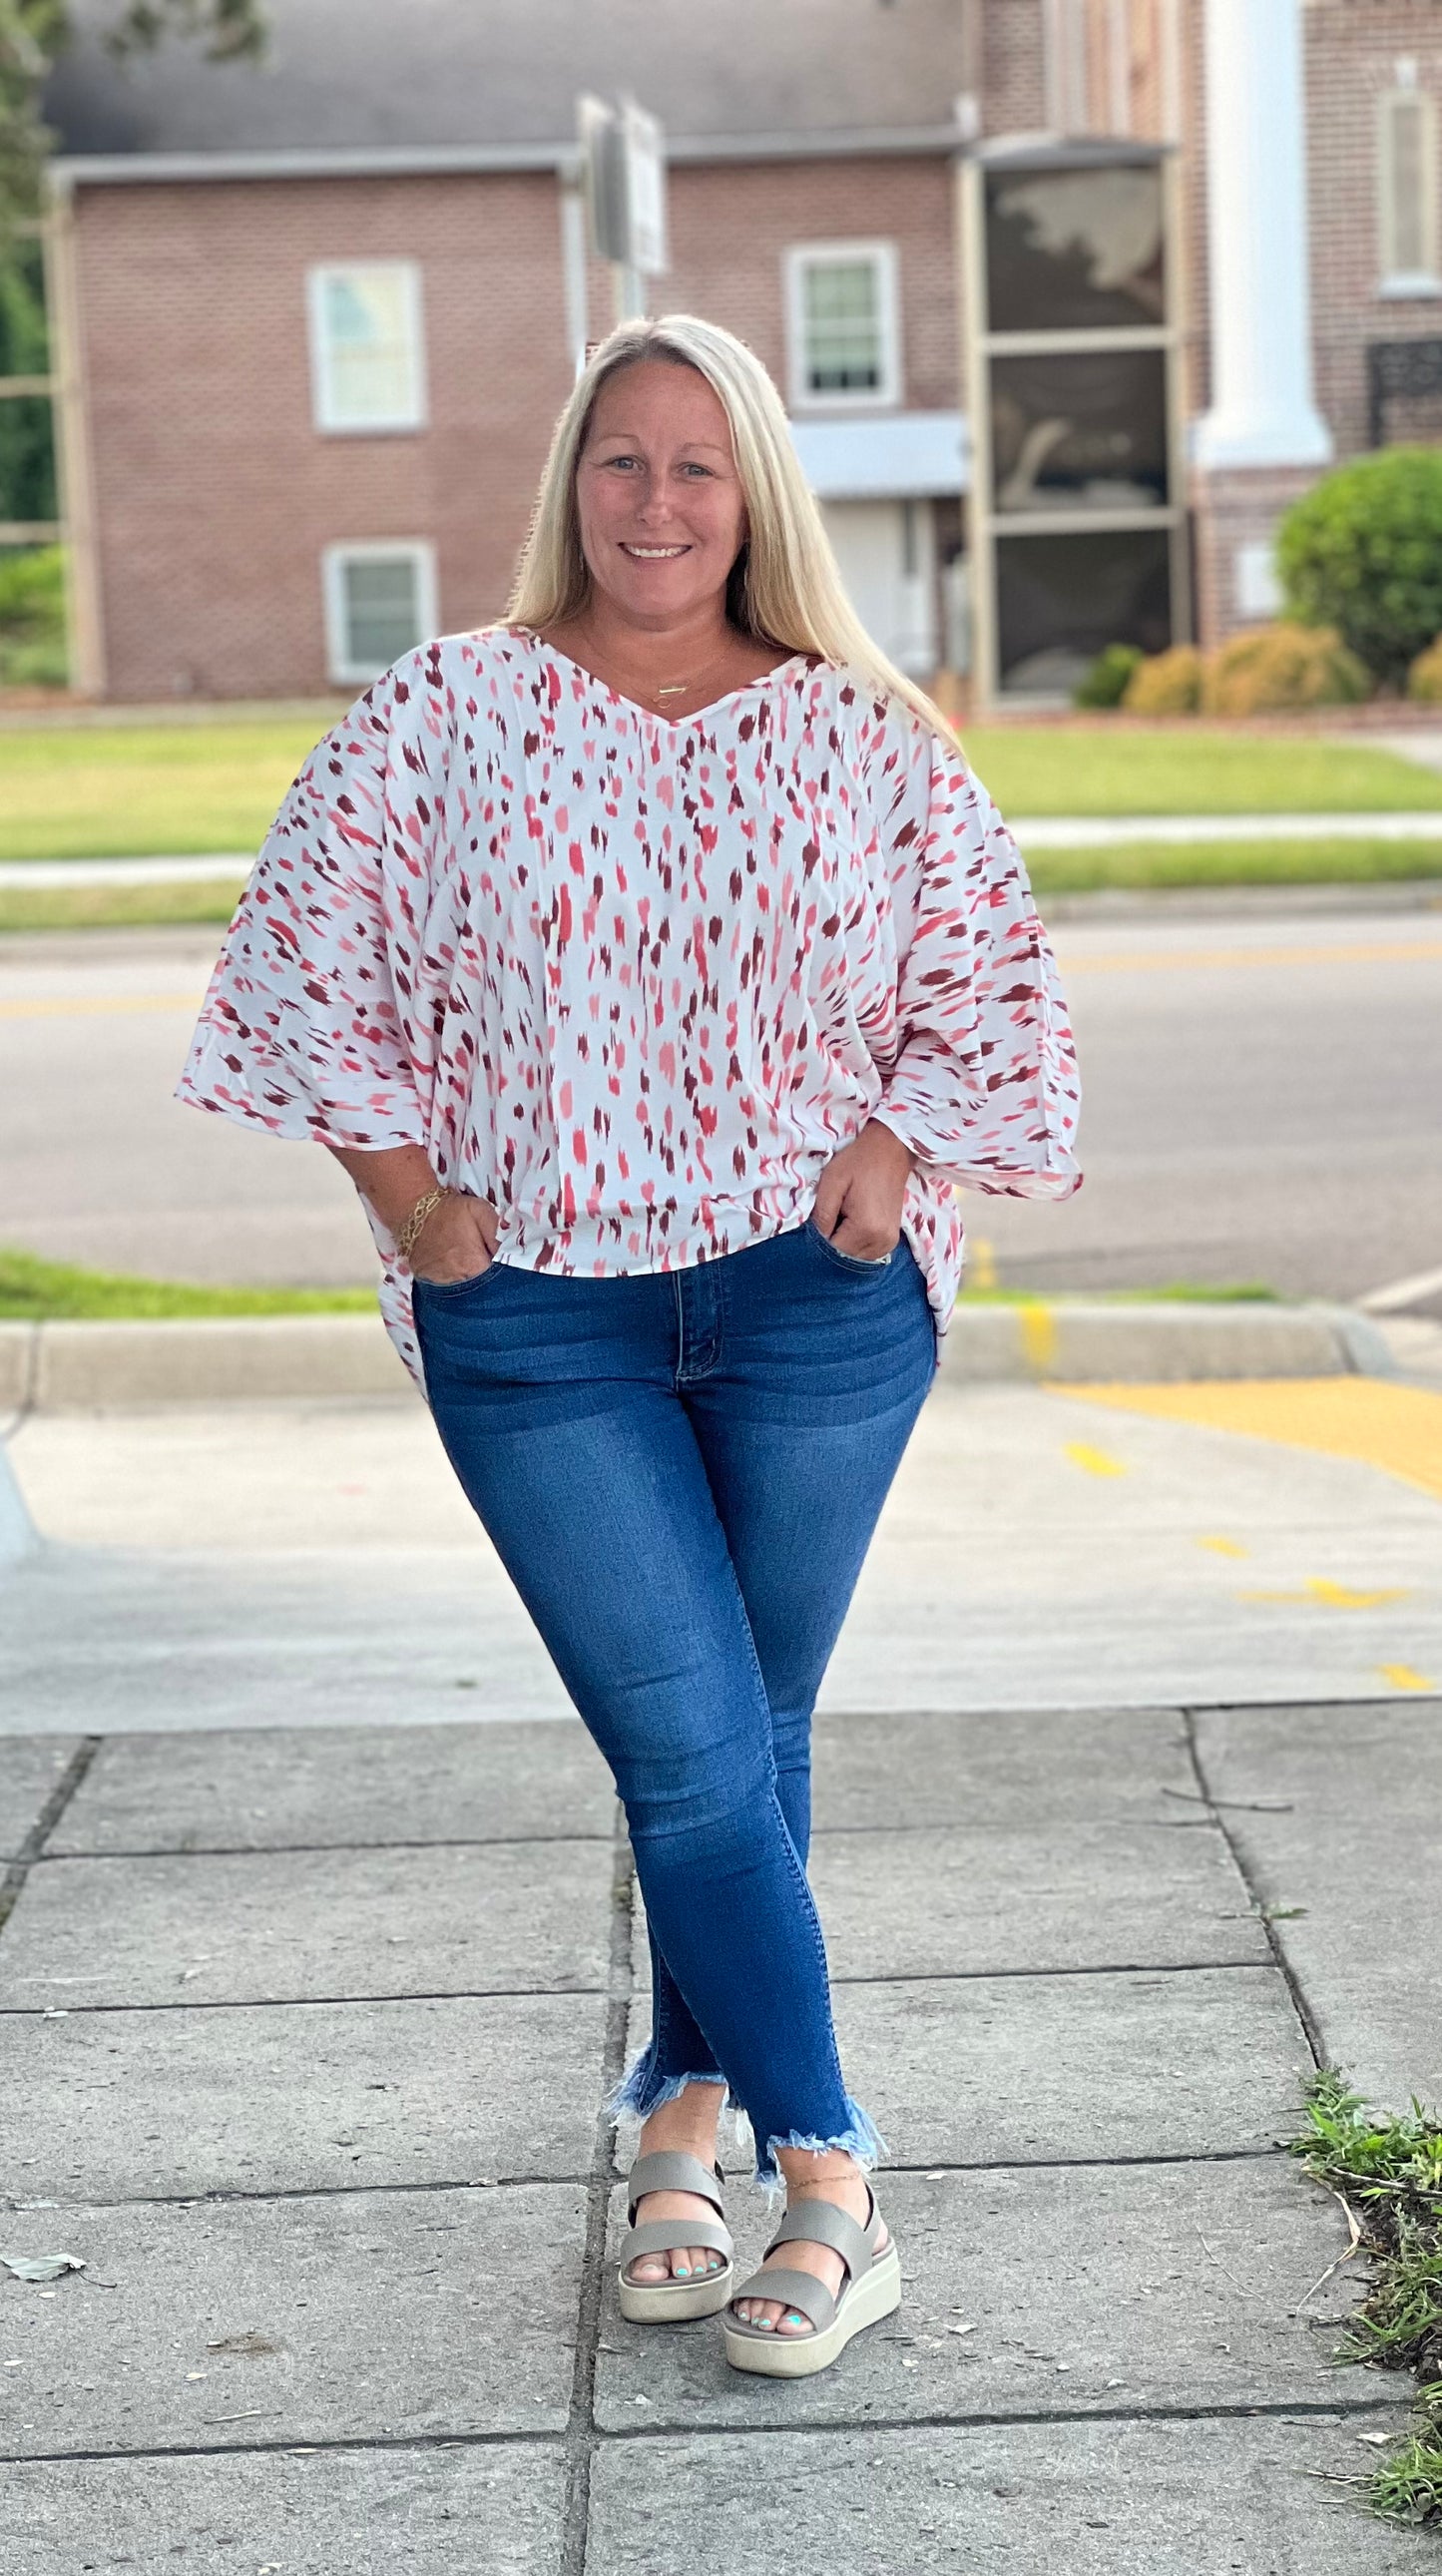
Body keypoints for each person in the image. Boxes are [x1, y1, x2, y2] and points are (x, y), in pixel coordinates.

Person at [179, 312, 1080, 2380]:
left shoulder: (862, 728)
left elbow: (993, 980)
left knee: (742, 1744)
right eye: (620, 461)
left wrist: (894, 1141)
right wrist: (411, 1204)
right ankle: (833, 2169)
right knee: (689, 1742)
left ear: (754, 490)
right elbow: (300, 962)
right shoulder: (447, 711)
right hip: (539, 1322)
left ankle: (683, 2116)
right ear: (568, 488)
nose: (658, 502)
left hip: (811, 1305)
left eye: (697, 464)